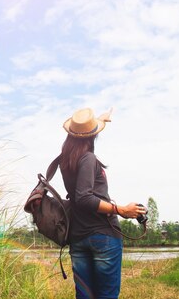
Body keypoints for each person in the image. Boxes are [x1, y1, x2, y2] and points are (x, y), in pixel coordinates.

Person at [59, 107, 147, 299]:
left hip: (79, 238)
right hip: (103, 236)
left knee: (85, 296)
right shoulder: (88, 158)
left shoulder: (65, 161)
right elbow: (84, 197)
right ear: (92, 136)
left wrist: (102, 119)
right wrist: (121, 210)